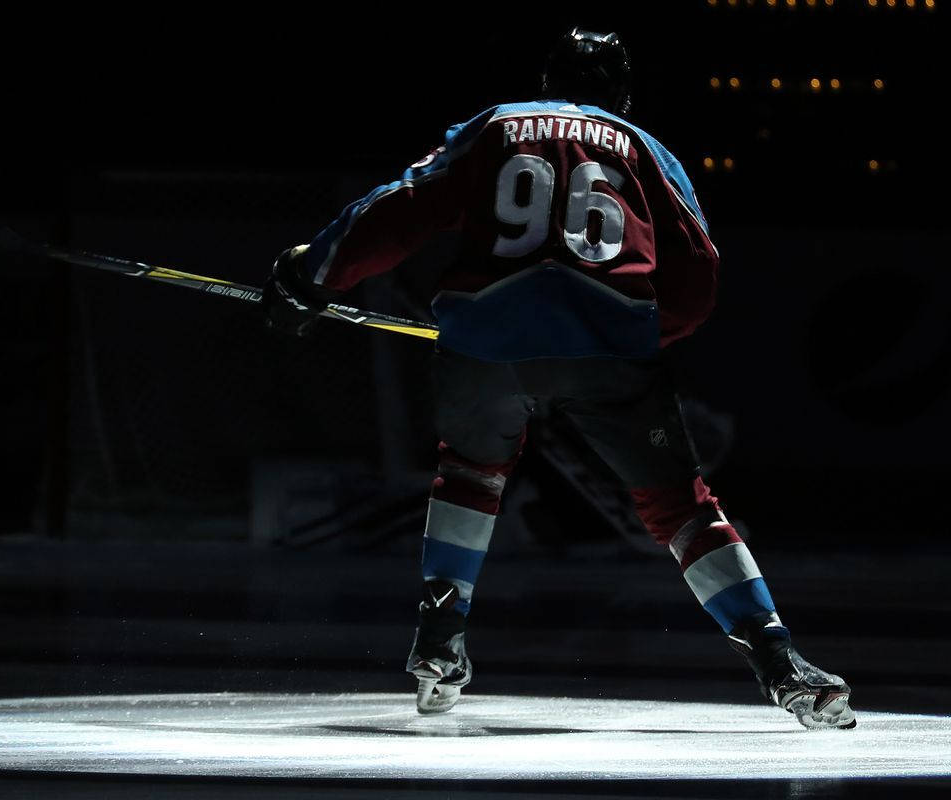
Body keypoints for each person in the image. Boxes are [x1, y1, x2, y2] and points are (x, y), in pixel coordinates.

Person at [261, 28, 854, 729]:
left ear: (548, 80)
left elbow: (400, 208)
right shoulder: (644, 148)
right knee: (681, 508)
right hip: (608, 347)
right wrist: (635, 335)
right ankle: (779, 661)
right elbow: (698, 275)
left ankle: (441, 638)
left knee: (471, 474)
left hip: (487, 337)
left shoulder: (494, 126)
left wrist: (314, 273)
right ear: (623, 95)